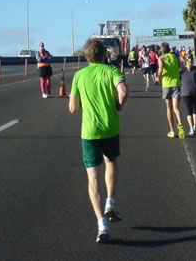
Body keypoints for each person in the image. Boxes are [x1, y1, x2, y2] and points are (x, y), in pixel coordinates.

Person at [69, 38, 128, 243]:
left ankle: (101, 225)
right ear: (105, 55)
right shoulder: (111, 71)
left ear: (86, 57)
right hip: (110, 128)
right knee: (111, 162)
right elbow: (123, 91)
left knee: (92, 178)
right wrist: (118, 105)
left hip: (89, 132)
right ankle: (110, 201)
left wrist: (83, 105)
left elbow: (72, 108)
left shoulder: (79, 75)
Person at [157, 42, 185, 139]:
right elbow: (183, 68)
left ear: (162, 50)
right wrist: (177, 73)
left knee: (169, 108)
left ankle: (172, 131)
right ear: (169, 49)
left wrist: (158, 78)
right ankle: (180, 125)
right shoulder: (175, 57)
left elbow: (160, 70)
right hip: (176, 84)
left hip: (166, 85)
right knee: (176, 108)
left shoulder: (161, 58)